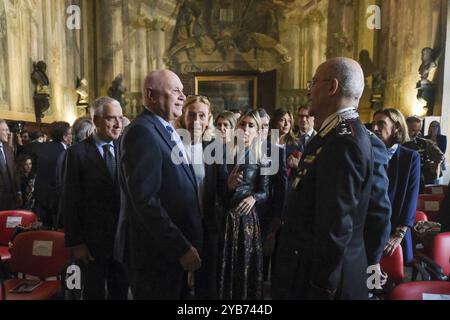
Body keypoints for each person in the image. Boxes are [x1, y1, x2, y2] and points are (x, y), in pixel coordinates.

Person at [272, 57, 374, 300]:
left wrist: (321, 287)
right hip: (306, 267)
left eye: (313, 82)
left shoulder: (343, 142)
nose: (308, 91)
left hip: (322, 282)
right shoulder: (331, 136)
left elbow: (336, 226)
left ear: (332, 87)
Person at [114, 69, 202, 300]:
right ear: (151, 95)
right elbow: (146, 201)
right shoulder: (142, 132)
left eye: (183, 91)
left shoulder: (163, 128)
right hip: (156, 254)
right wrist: (180, 247)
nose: (183, 96)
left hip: (167, 254)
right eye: (175, 90)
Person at [62, 96, 128, 300]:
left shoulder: (126, 150)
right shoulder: (77, 153)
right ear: (96, 120)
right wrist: (77, 242)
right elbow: (70, 200)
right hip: (91, 243)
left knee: (121, 292)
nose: (118, 124)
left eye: (120, 117)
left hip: (122, 240)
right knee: (94, 293)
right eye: (111, 118)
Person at [218, 110, 270, 300]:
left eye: (251, 125)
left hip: (247, 220)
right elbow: (217, 194)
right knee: (228, 266)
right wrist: (229, 187)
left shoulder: (262, 156)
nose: (245, 129)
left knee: (246, 267)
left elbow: (265, 192)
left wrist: (254, 198)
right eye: (242, 124)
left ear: (257, 131)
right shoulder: (223, 153)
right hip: (227, 218)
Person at [175, 95, 222, 299]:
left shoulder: (213, 147)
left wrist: (231, 186)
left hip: (206, 225)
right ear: (183, 116)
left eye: (201, 115)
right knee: (178, 285)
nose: (196, 120)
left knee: (206, 284)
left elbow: (222, 188)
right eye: (191, 114)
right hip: (178, 226)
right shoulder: (172, 144)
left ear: (208, 118)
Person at [372, 108, 420, 265]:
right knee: (371, 282)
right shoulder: (367, 153)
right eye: (373, 124)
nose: (375, 129)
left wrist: (399, 234)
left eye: (381, 124)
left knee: (393, 283)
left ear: (397, 128)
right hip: (370, 230)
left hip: (395, 230)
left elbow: (411, 198)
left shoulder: (410, 157)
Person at [33, 121, 72, 228]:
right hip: (57, 201)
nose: (72, 136)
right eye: (70, 133)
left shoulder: (42, 147)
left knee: (45, 232)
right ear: (65, 137)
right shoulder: (66, 152)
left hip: (41, 197)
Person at [404, 116, 444, 191]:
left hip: (424, 179)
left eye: (418, 130)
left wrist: (434, 167)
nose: (416, 133)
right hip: (407, 180)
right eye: (413, 130)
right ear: (405, 128)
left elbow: (440, 156)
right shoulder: (399, 144)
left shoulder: (424, 142)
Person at [269, 108, 301, 177]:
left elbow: (304, 170)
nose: (286, 124)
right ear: (275, 122)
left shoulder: (297, 144)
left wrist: (298, 165)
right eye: (282, 120)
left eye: (289, 121)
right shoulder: (266, 143)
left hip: (289, 185)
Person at [0, 120, 20, 210]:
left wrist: (18, 192)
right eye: (5, 130)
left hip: (11, 200)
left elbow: (14, 172)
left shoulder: (8, 149)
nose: (8, 133)